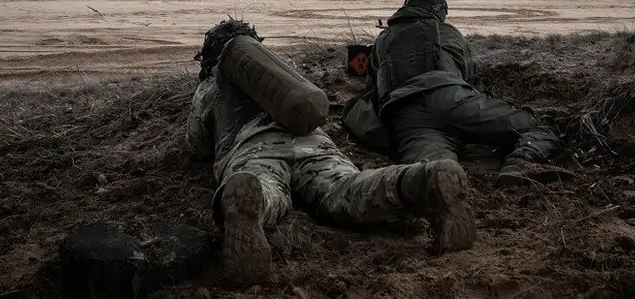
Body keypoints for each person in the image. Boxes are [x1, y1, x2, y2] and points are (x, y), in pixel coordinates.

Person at [187, 19, 476, 284]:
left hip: (253, 147)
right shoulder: (280, 71)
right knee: (346, 189)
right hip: (313, 141)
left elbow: (198, 144)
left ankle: (254, 200)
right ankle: (419, 180)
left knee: (269, 189)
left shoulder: (212, 86)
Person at [343, 0, 565, 185]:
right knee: (536, 128)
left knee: (430, 171)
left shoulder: (382, 42)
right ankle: (520, 165)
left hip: (406, 116)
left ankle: (442, 179)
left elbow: (372, 90)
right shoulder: (448, 32)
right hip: (453, 99)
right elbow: (472, 82)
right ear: (439, 11)